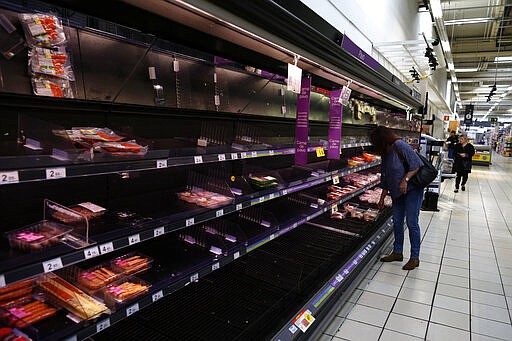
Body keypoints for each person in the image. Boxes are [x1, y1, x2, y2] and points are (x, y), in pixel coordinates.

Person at [369, 126, 424, 270]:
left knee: (412, 223)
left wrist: (405, 180)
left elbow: (416, 165)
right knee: (397, 222)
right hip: (396, 192)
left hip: (412, 190)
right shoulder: (385, 153)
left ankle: (414, 257)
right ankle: (397, 252)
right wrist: (382, 197)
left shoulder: (399, 145)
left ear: (383, 139)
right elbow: (386, 177)